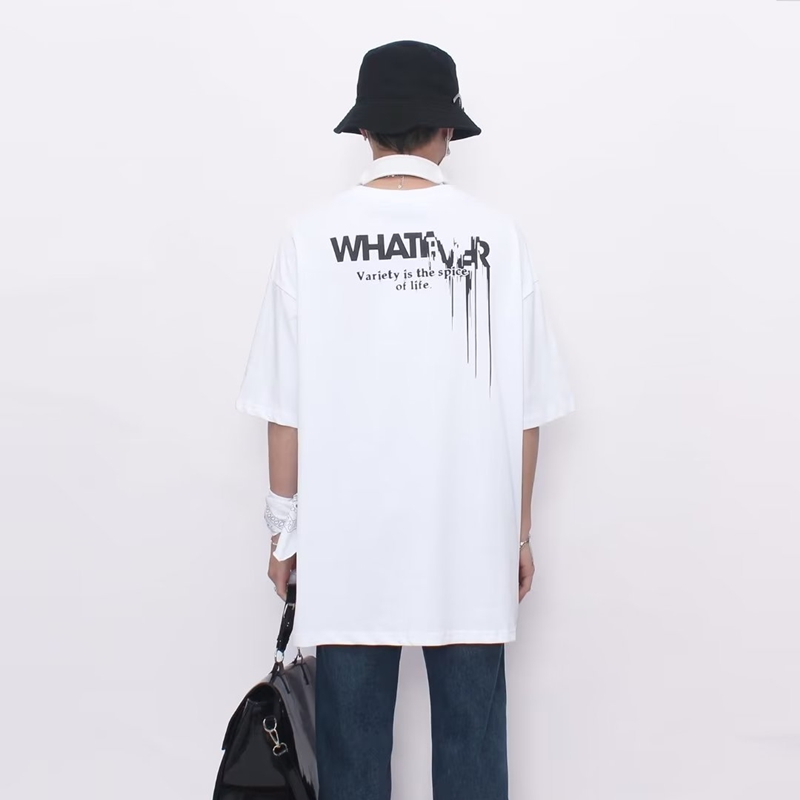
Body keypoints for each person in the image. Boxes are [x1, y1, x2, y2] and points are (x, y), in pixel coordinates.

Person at [236, 40, 574, 800]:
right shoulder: (497, 237)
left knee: (351, 757)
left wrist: (283, 530)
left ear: (364, 130)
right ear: (447, 130)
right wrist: (518, 534)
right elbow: (526, 411)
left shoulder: (310, 237)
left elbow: (284, 409)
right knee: (472, 747)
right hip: (471, 536)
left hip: (349, 545)